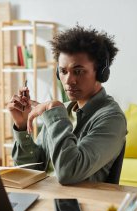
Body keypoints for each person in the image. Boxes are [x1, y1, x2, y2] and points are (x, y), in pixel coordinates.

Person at [7, 25, 127, 185]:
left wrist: (54, 112)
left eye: (78, 71)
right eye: (63, 71)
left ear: (101, 73)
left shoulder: (112, 118)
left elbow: (68, 172)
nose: (69, 80)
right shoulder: (62, 111)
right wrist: (22, 126)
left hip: (78, 205)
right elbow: (31, 170)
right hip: (44, 197)